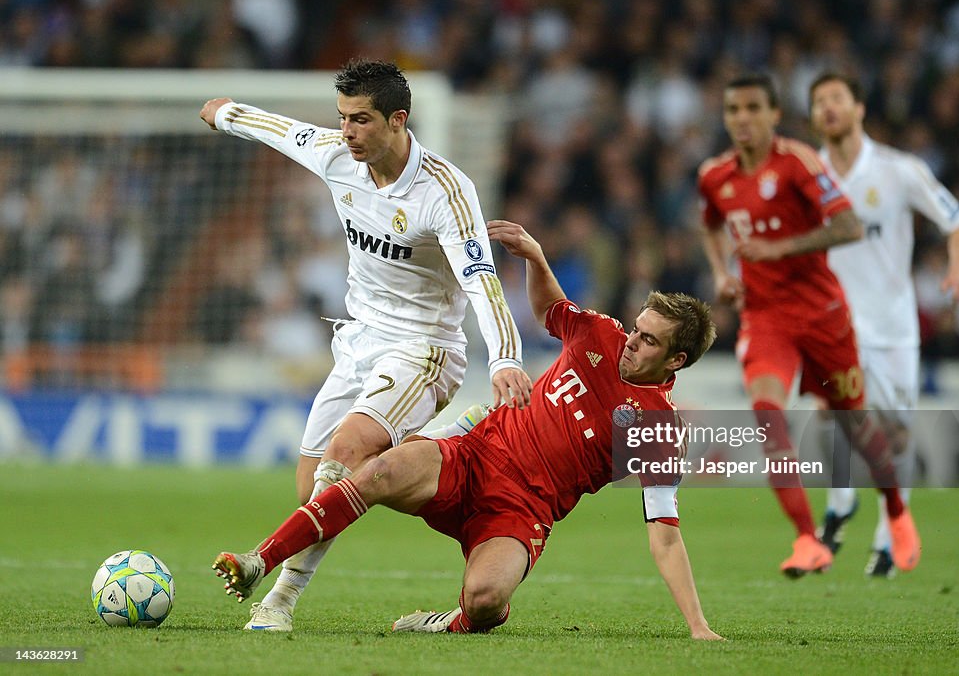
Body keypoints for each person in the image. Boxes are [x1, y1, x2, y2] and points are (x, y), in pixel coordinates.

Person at [213, 219, 722, 640]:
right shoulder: (602, 335)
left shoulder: (657, 431)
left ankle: (453, 621)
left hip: (523, 510)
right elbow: (549, 311)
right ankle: (261, 561)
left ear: (676, 360)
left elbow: (666, 539)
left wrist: (698, 626)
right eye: (636, 328)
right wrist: (536, 258)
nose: (632, 341)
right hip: (472, 455)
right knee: (378, 469)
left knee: (485, 600)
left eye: (648, 340)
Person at [199, 59, 533, 631]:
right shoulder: (336, 155)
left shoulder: (446, 193)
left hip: (424, 349)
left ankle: (277, 602)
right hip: (357, 343)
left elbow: (482, 280)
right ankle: (443, 442)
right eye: (343, 118)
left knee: (346, 456)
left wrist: (505, 357)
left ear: (398, 119)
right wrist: (227, 114)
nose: (347, 132)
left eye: (360, 120)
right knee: (313, 491)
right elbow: (282, 132)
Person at [697, 74, 919, 577]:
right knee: (767, 412)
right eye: (733, 109)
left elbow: (849, 225)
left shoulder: (798, 162)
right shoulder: (714, 176)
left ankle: (898, 514)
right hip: (766, 318)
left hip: (823, 316)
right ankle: (805, 539)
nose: (742, 119)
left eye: (753, 108)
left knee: (856, 424)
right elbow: (710, 221)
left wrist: (778, 248)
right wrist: (719, 271)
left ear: (775, 115)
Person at [809, 71, 959, 577]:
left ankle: (888, 535)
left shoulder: (899, 170)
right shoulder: (805, 174)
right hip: (832, 326)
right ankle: (841, 501)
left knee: (894, 433)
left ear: (860, 108)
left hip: (892, 327)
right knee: (829, 417)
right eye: (819, 102)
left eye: (838, 98)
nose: (828, 108)